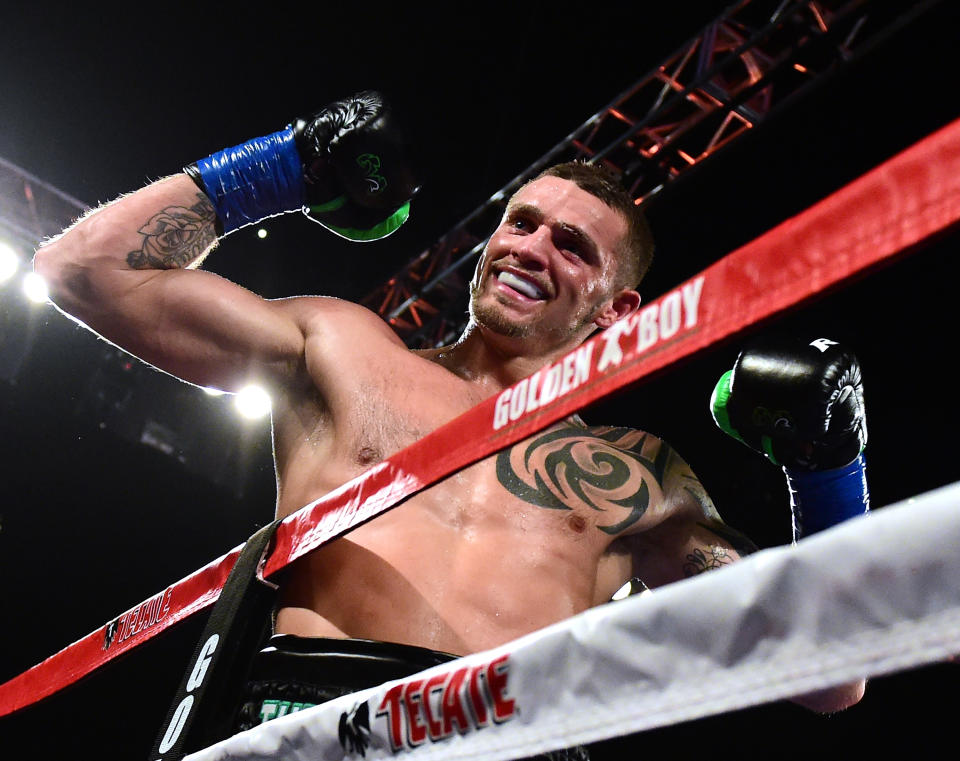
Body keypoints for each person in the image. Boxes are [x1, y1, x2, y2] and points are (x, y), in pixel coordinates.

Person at [33, 92, 866, 753]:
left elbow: (829, 673)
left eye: (572, 246)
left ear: (617, 312)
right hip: (311, 718)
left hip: (515, 738)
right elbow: (83, 271)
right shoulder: (343, 345)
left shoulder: (636, 472)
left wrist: (827, 470)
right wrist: (282, 169)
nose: (532, 249)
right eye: (522, 223)